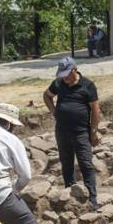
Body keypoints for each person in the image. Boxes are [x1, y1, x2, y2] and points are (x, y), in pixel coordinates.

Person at [43, 56, 101, 209]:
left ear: (74, 70)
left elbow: (95, 110)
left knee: (86, 164)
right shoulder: (58, 83)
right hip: (62, 131)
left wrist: (93, 132)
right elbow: (46, 96)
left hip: (81, 132)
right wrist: (54, 112)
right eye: (61, 74)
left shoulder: (87, 85)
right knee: (66, 163)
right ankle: (69, 193)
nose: (63, 77)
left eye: (66, 74)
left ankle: (92, 199)